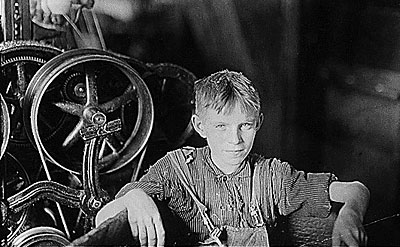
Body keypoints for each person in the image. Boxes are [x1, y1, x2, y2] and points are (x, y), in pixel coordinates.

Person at [95, 70, 370, 246]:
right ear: (200, 126)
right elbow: (103, 220)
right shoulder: (175, 170)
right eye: (221, 127)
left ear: (258, 122)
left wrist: (351, 214)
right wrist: (133, 197)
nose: (235, 139)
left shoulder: (272, 177)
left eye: (245, 126)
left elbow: (356, 190)